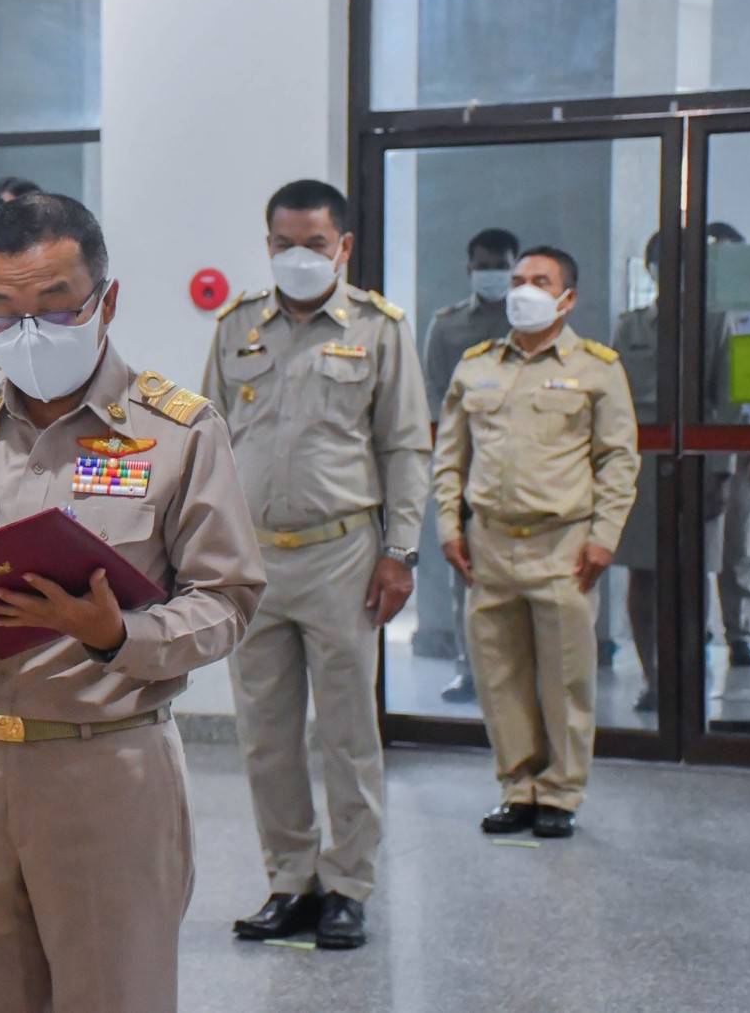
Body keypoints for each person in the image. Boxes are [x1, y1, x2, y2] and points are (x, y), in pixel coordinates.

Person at [0, 192, 264, 1012]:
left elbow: (228, 600)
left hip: (105, 765)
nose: (26, 331)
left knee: (113, 993)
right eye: (0, 311)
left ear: (106, 301)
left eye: (54, 307)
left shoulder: (177, 432)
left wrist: (119, 635)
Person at [203, 178, 431, 949]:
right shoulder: (236, 326)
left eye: (315, 243)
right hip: (254, 561)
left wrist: (400, 553)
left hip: (344, 554)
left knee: (346, 730)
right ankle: (289, 881)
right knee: (265, 733)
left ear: (344, 247)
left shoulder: (377, 329)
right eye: (284, 243)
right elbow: (208, 444)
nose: (299, 256)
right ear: (267, 243)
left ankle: (349, 886)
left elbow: (405, 445)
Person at [434, 246, 639, 839]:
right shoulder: (476, 366)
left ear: (567, 298)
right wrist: (449, 527)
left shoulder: (597, 367)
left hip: (563, 546)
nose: (523, 289)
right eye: (519, 279)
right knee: (500, 678)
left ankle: (560, 792)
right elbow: (450, 458)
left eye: (539, 281)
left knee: (566, 678)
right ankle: (517, 787)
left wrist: (604, 539)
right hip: (489, 546)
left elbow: (618, 461)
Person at [615, 226, 750, 713]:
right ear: (652, 269)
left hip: (700, 465)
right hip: (639, 467)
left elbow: (728, 406)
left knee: (693, 573)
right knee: (642, 575)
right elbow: (615, 401)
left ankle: (687, 675)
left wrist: (722, 474)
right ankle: (654, 679)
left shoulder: (718, 324)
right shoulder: (630, 326)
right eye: (665, 263)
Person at [422, 228, 521, 703]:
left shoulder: (530, 322)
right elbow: (434, 396)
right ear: (469, 269)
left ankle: (518, 674)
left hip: (525, 468)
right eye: (483, 265)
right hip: (466, 466)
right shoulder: (447, 325)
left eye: (500, 265)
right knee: (465, 571)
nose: (491, 274)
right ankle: (469, 670)